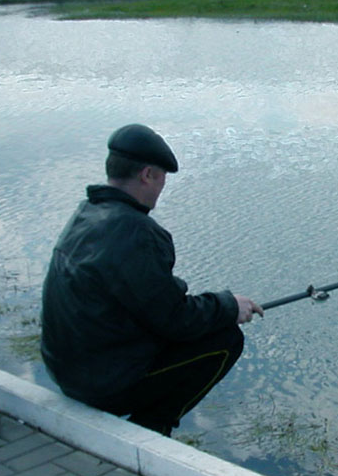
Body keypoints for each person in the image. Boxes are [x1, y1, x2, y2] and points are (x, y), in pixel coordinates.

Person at [41, 124, 263, 436]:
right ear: (147, 175)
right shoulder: (136, 232)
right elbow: (175, 319)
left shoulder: (88, 212)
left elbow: (152, 304)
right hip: (102, 386)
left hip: (67, 373)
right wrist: (229, 306)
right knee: (225, 339)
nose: (161, 189)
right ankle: (153, 428)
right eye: (161, 179)